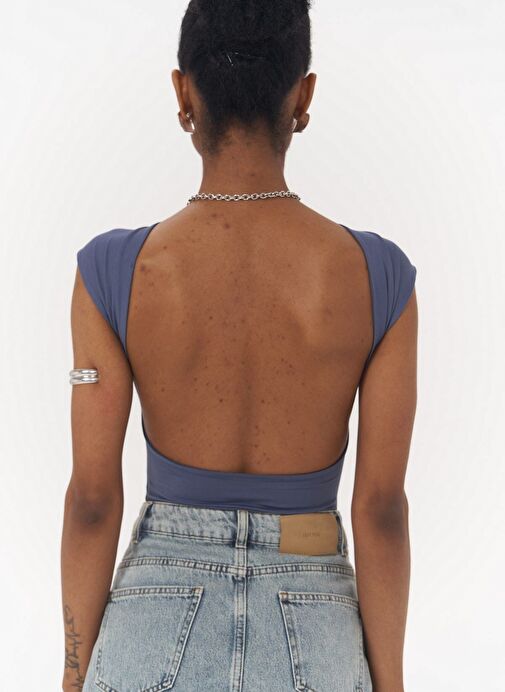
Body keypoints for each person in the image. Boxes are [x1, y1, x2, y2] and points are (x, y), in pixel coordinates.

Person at [61, 1, 417, 691]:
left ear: (183, 94)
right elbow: (380, 509)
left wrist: (73, 676)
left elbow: (92, 501)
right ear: (302, 97)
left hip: (151, 621)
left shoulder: (113, 272)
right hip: (315, 620)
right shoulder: (378, 278)